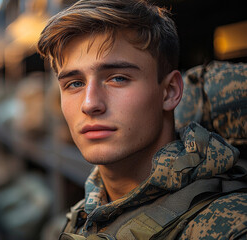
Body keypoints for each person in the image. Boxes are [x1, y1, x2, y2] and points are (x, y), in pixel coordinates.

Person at [36, 0, 247, 239]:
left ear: (169, 92)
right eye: (74, 83)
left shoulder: (227, 228)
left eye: (118, 78)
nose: (90, 103)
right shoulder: (83, 217)